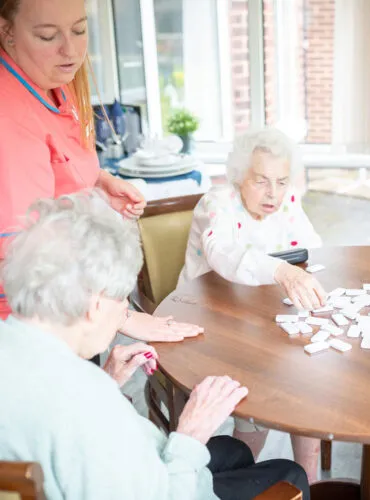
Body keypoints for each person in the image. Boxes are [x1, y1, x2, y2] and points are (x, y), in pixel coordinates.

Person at [0, 195, 310, 500]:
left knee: (234, 449)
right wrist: (190, 434)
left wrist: (107, 382)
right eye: (122, 299)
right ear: (94, 306)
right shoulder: (88, 402)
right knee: (288, 473)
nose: (124, 311)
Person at [0, 0, 201, 342]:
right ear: (7, 32)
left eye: (79, 29)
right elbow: (24, 258)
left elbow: (54, 163)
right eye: (48, 36)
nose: (71, 49)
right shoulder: (8, 119)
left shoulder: (50, 77)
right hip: (34, 323)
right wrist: (120, 315)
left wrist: (95, 181)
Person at [179, 127, 325, 483]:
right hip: (208, 317)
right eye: (261, 181)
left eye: (281, 181)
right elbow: (223, 254)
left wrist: (299, 276)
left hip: (264, 316)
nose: (273, 193)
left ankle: (310, 484)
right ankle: (239, 476)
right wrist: (282, 271)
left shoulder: (287, 201)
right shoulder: (219, 202)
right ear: (239, 175)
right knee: (267, 385)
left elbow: (314, 250)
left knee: (306, 383)